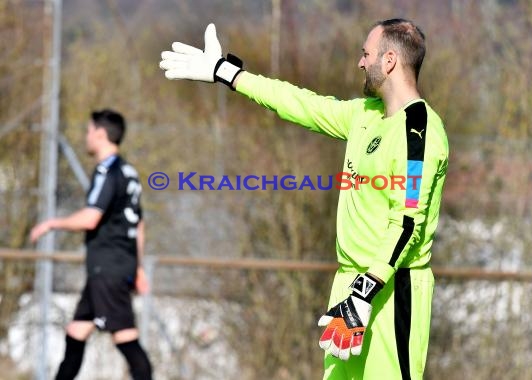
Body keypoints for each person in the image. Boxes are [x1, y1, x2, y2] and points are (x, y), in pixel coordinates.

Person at [159, 18, 448, 380]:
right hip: (351, 283)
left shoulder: (417, 131)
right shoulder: (365, 115)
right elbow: (300, 103)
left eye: (366, 54)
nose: (360, 63)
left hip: (390, 289)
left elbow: (406, 224)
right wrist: (228, 74)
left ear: (389, 60)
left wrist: (366, 291)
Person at [30, 109, 153, 380]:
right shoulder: (129, 172)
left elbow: (90, 217)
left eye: (88, 131)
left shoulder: (107, 171)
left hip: (107, 268)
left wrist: (52, 223)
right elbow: (139, 224)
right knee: (76, 332)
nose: (85, 137)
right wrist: (138, 267)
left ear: (100, 134)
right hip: (116, 265)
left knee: (126, 340)